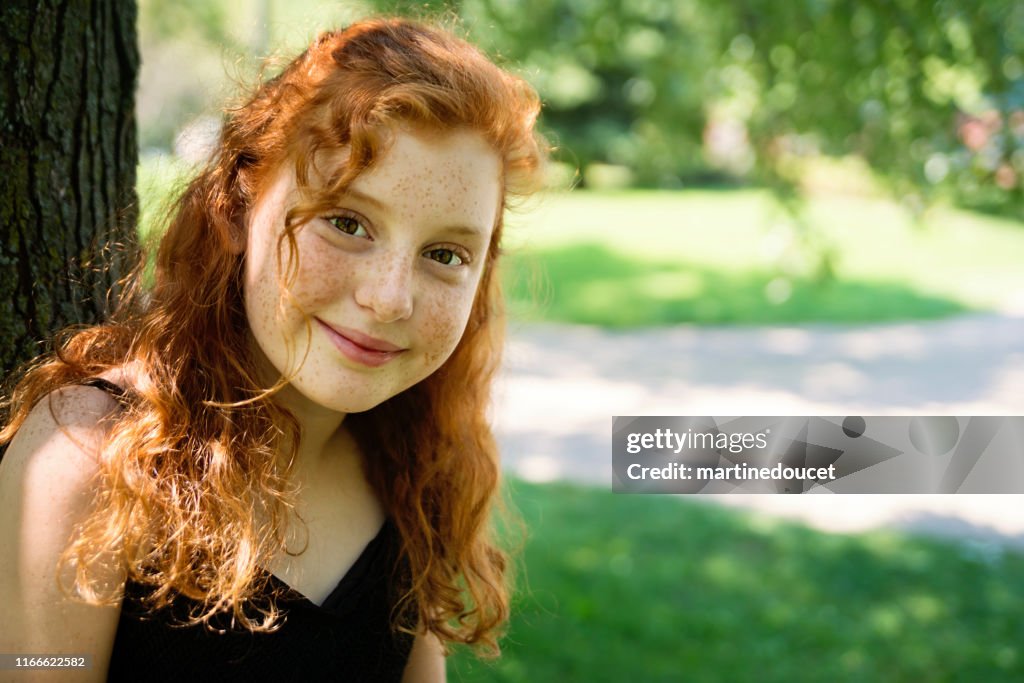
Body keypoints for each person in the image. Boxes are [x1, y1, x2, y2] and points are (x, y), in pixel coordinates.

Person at [0, 16, 547, 682]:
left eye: (444, 254)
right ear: (235, 207)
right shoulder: (86, 456)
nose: (389, 297)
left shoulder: (410, 466)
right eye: (347, 222)